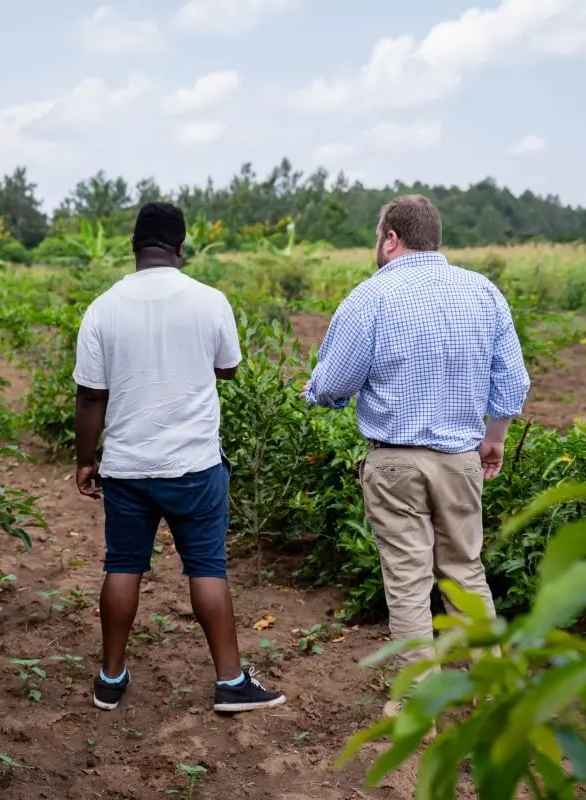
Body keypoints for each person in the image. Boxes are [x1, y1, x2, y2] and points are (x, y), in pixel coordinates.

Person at [302, 195, 530, 718]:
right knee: (465, 571)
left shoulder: (371, 297)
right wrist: (493, 437)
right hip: (461, 460)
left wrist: (319, 393)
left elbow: (335, 382)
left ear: (390, 239)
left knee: (408, 580)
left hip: (395, 461)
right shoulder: (483, 292)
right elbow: (512, 382)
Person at [73, 201, 286, 714]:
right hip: (194, 465)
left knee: (123, 565)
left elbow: (90, 395)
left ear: (134, 246)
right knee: (207, 568)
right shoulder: (209, 300)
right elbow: (228, 369)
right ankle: (231, 683)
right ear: (181, 247)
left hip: (125, 466)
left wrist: (86, 460)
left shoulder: (104, 306)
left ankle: (110, 677)